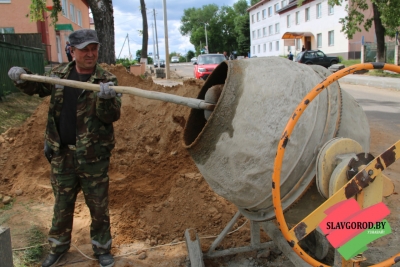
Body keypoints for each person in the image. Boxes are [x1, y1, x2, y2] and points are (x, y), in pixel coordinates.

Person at [8, 29, 121, 267]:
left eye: (94, 49)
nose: (91, 54)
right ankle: (58, 247)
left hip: (93, 157)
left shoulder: (107, 80)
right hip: (62, 154)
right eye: (85, 50)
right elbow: (36, 88)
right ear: (72, 51)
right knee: (62, 205)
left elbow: (110, 117)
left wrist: (106, 99)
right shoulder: (59, 75)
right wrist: (21, 77)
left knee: (98, 207)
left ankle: (102, 249)